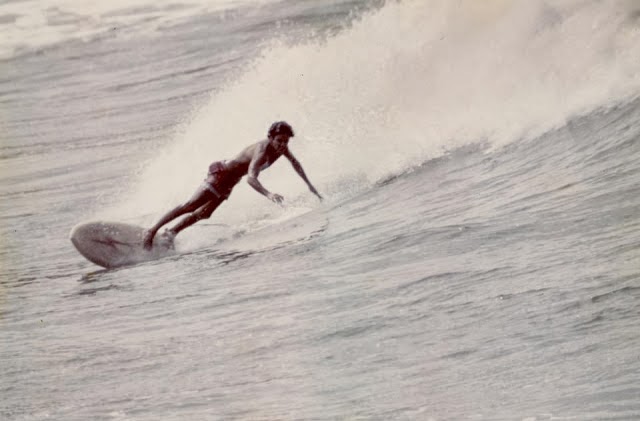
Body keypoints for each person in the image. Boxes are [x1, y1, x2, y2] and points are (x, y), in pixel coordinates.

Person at [142, 121, 322, 249]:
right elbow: (251, 178)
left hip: (231, 181)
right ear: (270, 137)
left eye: (285, 141)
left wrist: (309, 185)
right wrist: (269, 194)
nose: (283, 145)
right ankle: (151, 231)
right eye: (279, 140)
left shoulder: (280, 149)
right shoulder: (262, 151)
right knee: (191, 206)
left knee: (205, 214)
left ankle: (171, 233)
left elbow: (295, 163)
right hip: (221, 175)